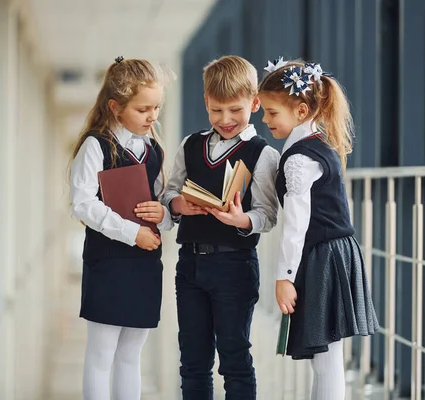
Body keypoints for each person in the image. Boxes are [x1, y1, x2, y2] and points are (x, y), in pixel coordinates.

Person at [258, 57, 379, 400]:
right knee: (328, 358)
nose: (265, 119)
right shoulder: (316, 144)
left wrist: (284, 277)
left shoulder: (299, 158)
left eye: (271, 112)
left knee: (326, 359)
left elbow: (296, 226)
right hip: (333, 253)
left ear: (299, 110)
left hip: (323, 258)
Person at [161, 55, 280, 400]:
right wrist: (179, 205)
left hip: (235, 266)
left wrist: (241, 220)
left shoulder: (263, 154)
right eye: (216, 111)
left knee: (235, 359)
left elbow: (267, 215)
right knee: (193, 362)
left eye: (235, 110)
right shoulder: (190, 145)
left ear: (255, 103)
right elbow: (171, 190)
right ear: (205, 103)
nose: (225, 120)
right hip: (190, 266)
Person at [69, 56, 175, 400]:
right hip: (109, 259)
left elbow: (159, 202)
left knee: (131, 355)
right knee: (101, 354)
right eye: (143, 109)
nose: (152, 117)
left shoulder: (153, 149)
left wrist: (163, 214)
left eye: (156, 108)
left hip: (146, 261)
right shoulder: (96, 146)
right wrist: (133, 233)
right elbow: (83, 204)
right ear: (115, 107)